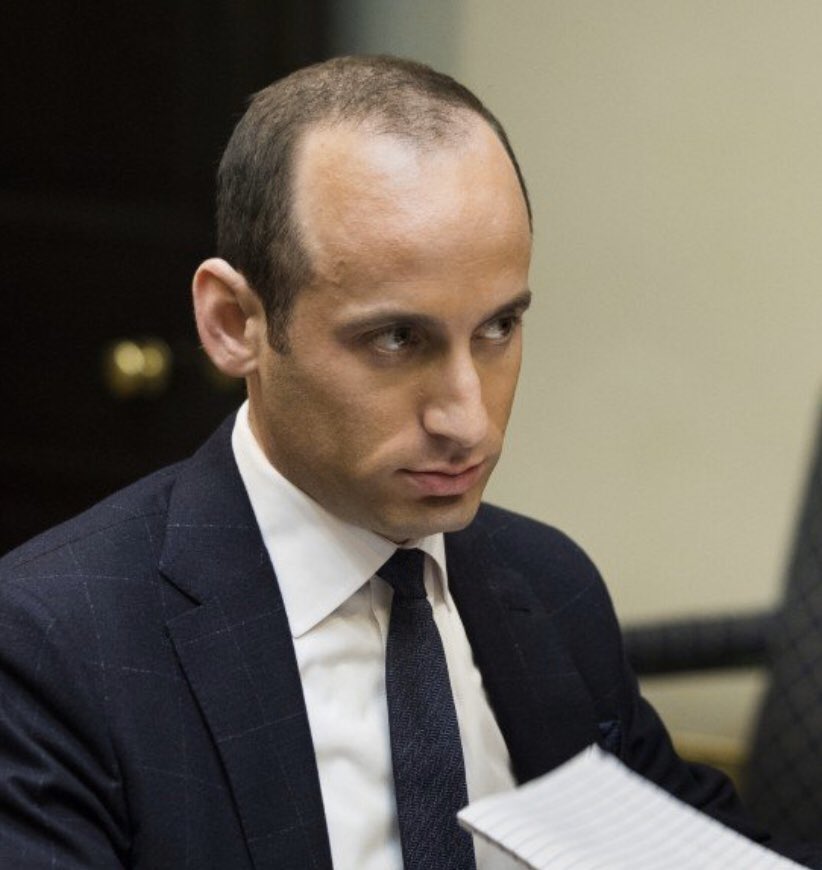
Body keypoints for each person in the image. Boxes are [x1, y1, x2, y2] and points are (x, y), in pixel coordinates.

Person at [0, 55, 811, 870]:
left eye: (498, 328)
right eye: (396, 339)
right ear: (234, 323)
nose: (469, 420)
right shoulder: (56, 647)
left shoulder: (549, 587)